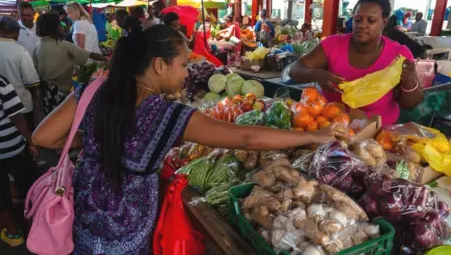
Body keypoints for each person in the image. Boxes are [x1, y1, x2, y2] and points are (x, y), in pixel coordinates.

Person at [31, 24, 349, 254]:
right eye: (183, 65)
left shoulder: (94, 90)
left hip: (86, 219)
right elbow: (247, 138)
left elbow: (43, 136)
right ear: (158, 65)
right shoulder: (166, 115)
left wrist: (88, 143)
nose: (186, 73)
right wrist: (313, 135)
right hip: (128, 231)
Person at [289, 0, 424, 125]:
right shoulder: (333, 44)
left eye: (370, 20)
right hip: (330, 128)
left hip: (379, 134)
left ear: (384, 22)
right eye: (358, 20)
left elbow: (410, 105)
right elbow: (294, 69)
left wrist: (409, 81)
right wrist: (317, 75)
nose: (362, 25)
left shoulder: (399, 54)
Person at [33, 12, 107, 115]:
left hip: (45, 94)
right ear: (54, 28)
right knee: (64, 120)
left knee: (52, 119)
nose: (62, 27)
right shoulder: (63, 45)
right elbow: (89, 54)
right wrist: (107, 59)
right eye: (59, 24)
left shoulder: (38, 46)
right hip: (60, 93)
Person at [0, 75, 38, 248]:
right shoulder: (0, 82)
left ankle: (13, 234)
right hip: (13, 147)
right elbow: (17, 118)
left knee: (1, 194)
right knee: (29, 186)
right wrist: (31, 142)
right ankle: (35, 229)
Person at [0, 16, 40, 131]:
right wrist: (35, 99)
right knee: (25, 138)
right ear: (16, 32)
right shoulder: (19, 50)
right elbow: (31, 81)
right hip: (20, 105)